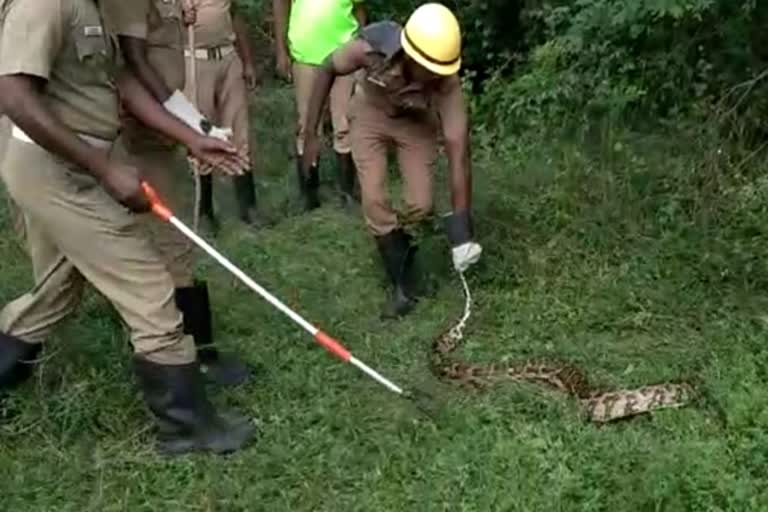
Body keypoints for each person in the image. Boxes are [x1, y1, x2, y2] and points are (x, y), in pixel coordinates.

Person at [0, 0, 255, 454]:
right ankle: (184, 427)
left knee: (59, 286)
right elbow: (15, 95)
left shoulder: (92, 7)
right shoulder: (44, 5)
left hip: (82, 164)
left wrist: (192, 136)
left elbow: (121, 82)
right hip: (56, 170)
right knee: (148, 284)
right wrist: (104, 168)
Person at [301, 3, 483, 318]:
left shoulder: (446, 82)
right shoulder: (371, 49)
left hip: (415, 122)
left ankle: (407, 247)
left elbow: (458, 151)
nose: (435, 76)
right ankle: (403, 284)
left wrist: (462, 232)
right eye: (428, 67)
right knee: (374, 199)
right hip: (370, 112)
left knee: (421, 204)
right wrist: (311, 133)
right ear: (410, 54)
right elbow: (327, 68)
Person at [109, 0, 253, 387]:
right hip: (139, 138)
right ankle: (187, 360)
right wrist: (193, 125)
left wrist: (194, 126)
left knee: (175, 247)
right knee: (169, 246)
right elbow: (135, 66)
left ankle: (196, 351)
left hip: (161, 136)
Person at [181, 0, 267, 231]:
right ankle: (206, 211)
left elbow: (235, 15)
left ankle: (248, 207)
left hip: (228, 58)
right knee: (201, 130)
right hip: (195, 59)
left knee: (240, 129)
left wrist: (247, 61)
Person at [273, 0, 366, 211]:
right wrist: (280, 49)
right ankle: (308, 193)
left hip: (344, 57)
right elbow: (280, 5)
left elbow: (360, 12)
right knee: (306, 124)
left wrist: (360, 53)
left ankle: (347, 192)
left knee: (343, 124)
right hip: (305, 55)